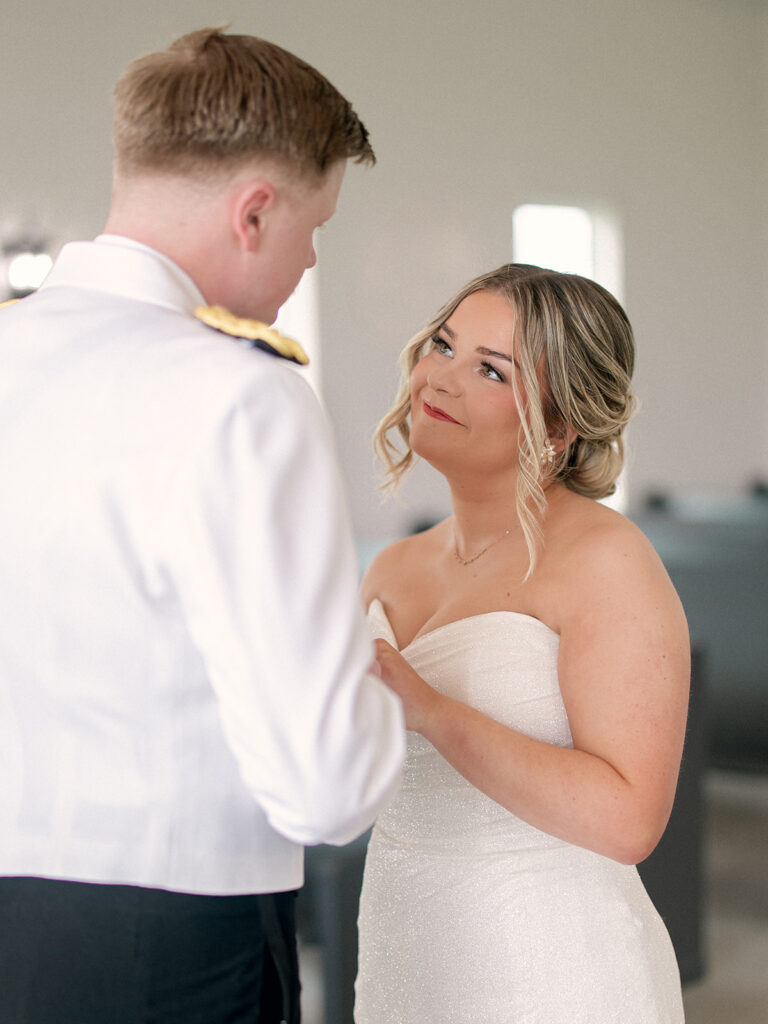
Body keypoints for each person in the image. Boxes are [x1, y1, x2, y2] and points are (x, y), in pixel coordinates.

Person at [0, 28, 405, 1024]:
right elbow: (325, 788)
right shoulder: (240, 398)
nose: (310, 254)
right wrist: (383, 685)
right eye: (316, 226)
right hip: (170, 942)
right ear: (256, 211)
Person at [355, 265, 690, 1023]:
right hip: (405, 947)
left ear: (561, 424)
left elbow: (629, 820)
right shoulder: (393, 567)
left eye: (488, 370)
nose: (439, 379)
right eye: (442, 345)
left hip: (555, 966)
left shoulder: (605, 560)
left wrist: (433, 712)